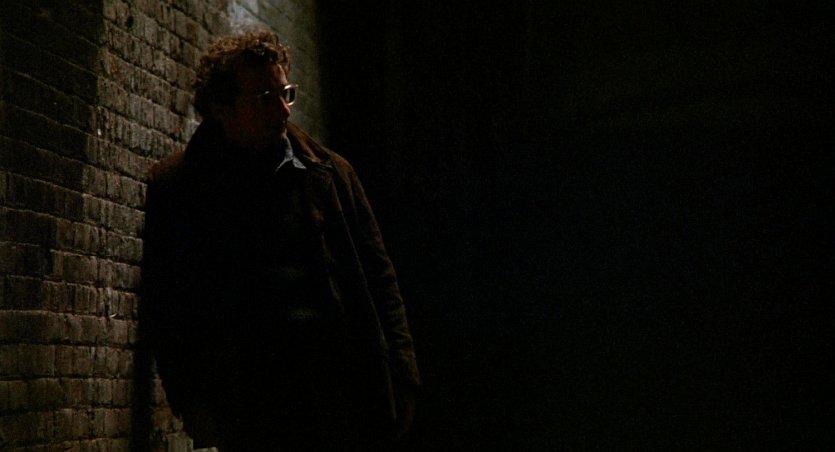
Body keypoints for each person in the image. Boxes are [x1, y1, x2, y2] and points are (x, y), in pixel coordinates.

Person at [140, 30, 420, 451]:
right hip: (250, 406)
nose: (284, 109)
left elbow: (380, 280)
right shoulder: (180, 187)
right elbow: (167, 304)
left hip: (336, 399)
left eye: (286, 93)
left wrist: (402, 376)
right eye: (264, 98)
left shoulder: (330, 174)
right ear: (221, 109)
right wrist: (193, 402)